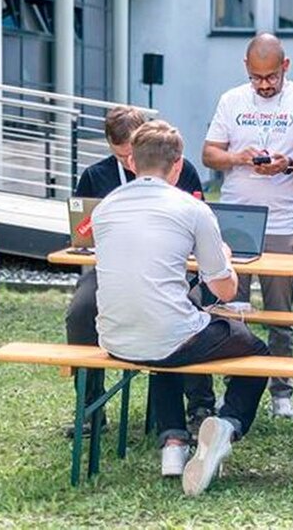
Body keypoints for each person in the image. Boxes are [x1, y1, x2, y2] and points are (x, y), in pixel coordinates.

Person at [92, 121, 270, 496]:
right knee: (257, 351)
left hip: (113, 337)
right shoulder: (192, 209)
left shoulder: (105, 208)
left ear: (132, 162)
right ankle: (226, 426)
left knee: (166, 337)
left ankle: (173, 443)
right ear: (177, 165)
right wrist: (225, 257)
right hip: (166, 337)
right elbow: (225, 289)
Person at [202, 33, 293, 419]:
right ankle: (235, 390)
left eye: (271, 77)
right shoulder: (231, 99)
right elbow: (209, 154)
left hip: (279, 220)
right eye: (256, 77)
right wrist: (237, 158)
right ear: (246, 67)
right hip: (234, 220)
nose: (263, 85)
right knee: (230, 310)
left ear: (285, 66)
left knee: (279, 312)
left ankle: (282, 391)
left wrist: (288, 164)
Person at [65, 105, 214, 438]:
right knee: (80, 312)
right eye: (119, 156)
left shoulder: (178, 168)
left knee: (190, 306)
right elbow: (80, 230)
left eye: (131, 154)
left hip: (170, 268)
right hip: (113, 268)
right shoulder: (95, 176)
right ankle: (90, 407)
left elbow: (199, 219)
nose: (127, 162)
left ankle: (200, 405)